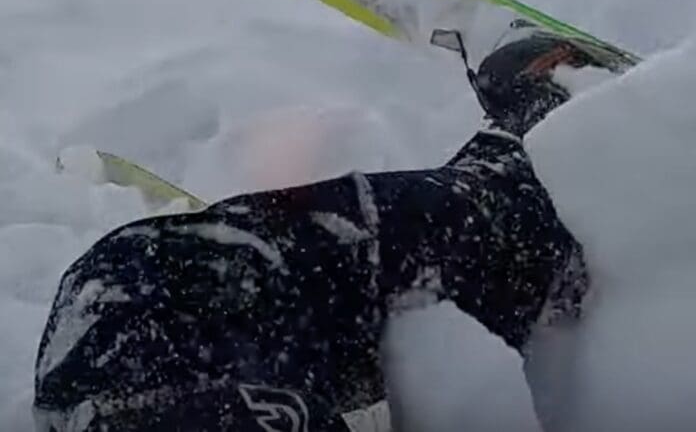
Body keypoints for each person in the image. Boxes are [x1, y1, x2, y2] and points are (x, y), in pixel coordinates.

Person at [32, 30, 619, 432]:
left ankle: (531, 166)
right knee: (360, 281)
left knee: (469, 242)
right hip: (120, 330)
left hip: (139, 331)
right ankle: (519, 174)